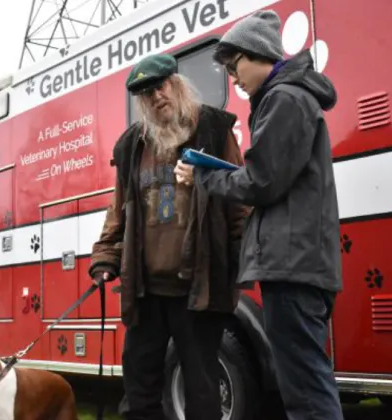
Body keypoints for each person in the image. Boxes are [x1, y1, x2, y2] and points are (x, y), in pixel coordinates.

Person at [175, 10, 344, 420]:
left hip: (292, 265)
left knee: (304, 389)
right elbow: (270, 177)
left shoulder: (285, 99)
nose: (233, 79)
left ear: (258, 54)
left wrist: (206, 178)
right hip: (298, 262)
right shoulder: (289, 98)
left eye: (235, 67)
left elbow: (263, 182)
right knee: (305, 381)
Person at [89, 53, 250, 420]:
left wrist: (242, 259)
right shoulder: (132, 146)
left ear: (176, 84)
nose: (156, 95)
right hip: (145, 293)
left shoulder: (212, 127)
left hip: (199, 287)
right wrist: (105, 258)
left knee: (202, 391)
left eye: (160, 85)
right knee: (138, 393)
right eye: (146, 93)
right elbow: (118, 212)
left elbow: (239, 202)